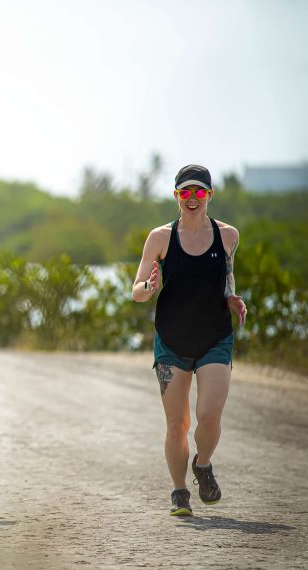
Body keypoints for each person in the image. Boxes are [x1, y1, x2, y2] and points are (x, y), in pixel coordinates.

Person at [132, 164, 247, 516]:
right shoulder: (160, 238)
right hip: (172, 341)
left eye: (199, 192)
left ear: (209, 195)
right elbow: (136, 291)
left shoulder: (228, 236)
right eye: (186, 192)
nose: (193, 198)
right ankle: (180, 491)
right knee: (177, 424)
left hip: (215, 336)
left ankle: (204, 463)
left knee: (209, 415)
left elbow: (227, 278)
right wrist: (148, 288)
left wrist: (232, 298)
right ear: (176, 196)